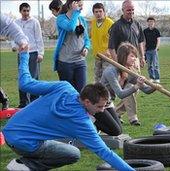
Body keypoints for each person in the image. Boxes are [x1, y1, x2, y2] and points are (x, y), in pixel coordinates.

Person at [3, 50, 134, 171]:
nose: (101, 111)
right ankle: (25, 165)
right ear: (87, 102)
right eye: (99, 107)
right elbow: (106, 153)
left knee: (57, 145)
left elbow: (25, 83)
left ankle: (24, 163)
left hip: (10, 129)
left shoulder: (64, 87)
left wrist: (24, 55)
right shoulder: (82, 123)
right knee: (73, 153)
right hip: (23, 143)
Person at [108, 0, 145, 126]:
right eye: (128, 10)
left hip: (135, 62)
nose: (131, 12)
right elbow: (111, 47)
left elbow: (140, 41)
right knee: (130, 88)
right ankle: (133, 117)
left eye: (133, 10)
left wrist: (142, 56)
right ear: (123, 10)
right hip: (123, 63)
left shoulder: (137, 24)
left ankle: (116, 113)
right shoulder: (116, 26)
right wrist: (117, 64)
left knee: (136, 89)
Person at [101, 43, 155, 127]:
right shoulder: (111, 71)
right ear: (123, 56)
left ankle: (118, 114)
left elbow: (146, 90)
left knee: (116, 128)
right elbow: (120, 94)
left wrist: (155, 86)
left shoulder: (130, 71)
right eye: (132, 56)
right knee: (110, 128)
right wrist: (137, 85)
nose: (135, 59)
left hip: (109, 104)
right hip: (99, 103)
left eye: (135, 56)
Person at [12, 3, 44, 108]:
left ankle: (35, 103)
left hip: (34, 53)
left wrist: (40, 53)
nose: (26, 13)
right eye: (24, 11)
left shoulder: (35, 22)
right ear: (20, 11)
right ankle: (23, 103)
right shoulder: (16, 22)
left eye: (28, 11)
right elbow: (13, 36)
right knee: (22, 77)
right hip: (21, 53)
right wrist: (14, 46)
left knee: (33, 78)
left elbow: (39, 38)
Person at [53, 0, 90, 93]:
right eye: (79, 6)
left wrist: (86, 48)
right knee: (68, 92)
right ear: (71, 5)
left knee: (82, 92)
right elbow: (70, 27)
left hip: (80, 61)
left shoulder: (82, 20)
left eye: (82, 6)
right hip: (66, 62)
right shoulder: (61, 19)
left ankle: (79, 108)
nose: (81, 8)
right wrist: (75, 12)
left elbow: (86, 39)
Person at [91, 2, 114, 83]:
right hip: (97, 56)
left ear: (104, 12)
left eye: (100, 11)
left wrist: (108, 51)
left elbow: (114, 40)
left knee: (107, 79)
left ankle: (108, 95)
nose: (98, 13)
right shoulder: (93, 23)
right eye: (96, 12)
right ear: (93, 13)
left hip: (108, 57)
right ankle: (97, 95)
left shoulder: (110, 23)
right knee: (97, 78)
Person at [143, 17, 161, 83]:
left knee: (155, 65)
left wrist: (156, 48)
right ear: (147, 22)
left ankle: (157, 78)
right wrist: (143, 49)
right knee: (149, 65)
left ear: (154, 23)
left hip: (154, 50)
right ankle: (151, 77)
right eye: (149, 21)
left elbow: (158, 40)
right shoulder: (145, 31)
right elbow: (144, 41)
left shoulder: (156, 31)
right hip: (147, 50)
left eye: (152, 22)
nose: (150, 23)